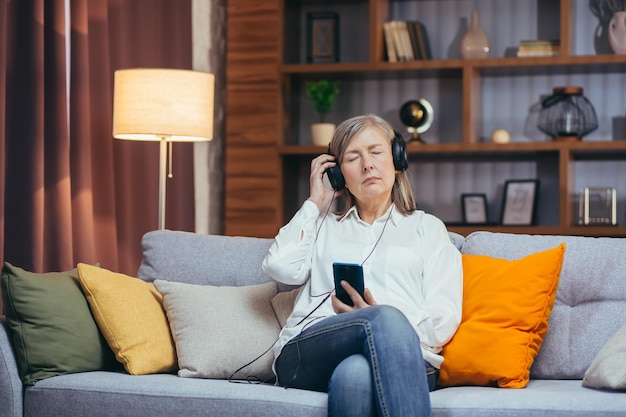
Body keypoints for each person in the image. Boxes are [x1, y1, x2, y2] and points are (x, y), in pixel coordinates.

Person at [262, 114, 463, 417]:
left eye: (376, 152)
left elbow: (443, 318)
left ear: (397, 159)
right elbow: (280, 267)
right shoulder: (323, 226)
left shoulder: (428, 229)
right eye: (353, 157)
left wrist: (375, 323)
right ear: (338, 175)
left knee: (354, 373)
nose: (367, 164)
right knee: (381, 318)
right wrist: (316, 201)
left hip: (408, 361)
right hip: (311, 352)